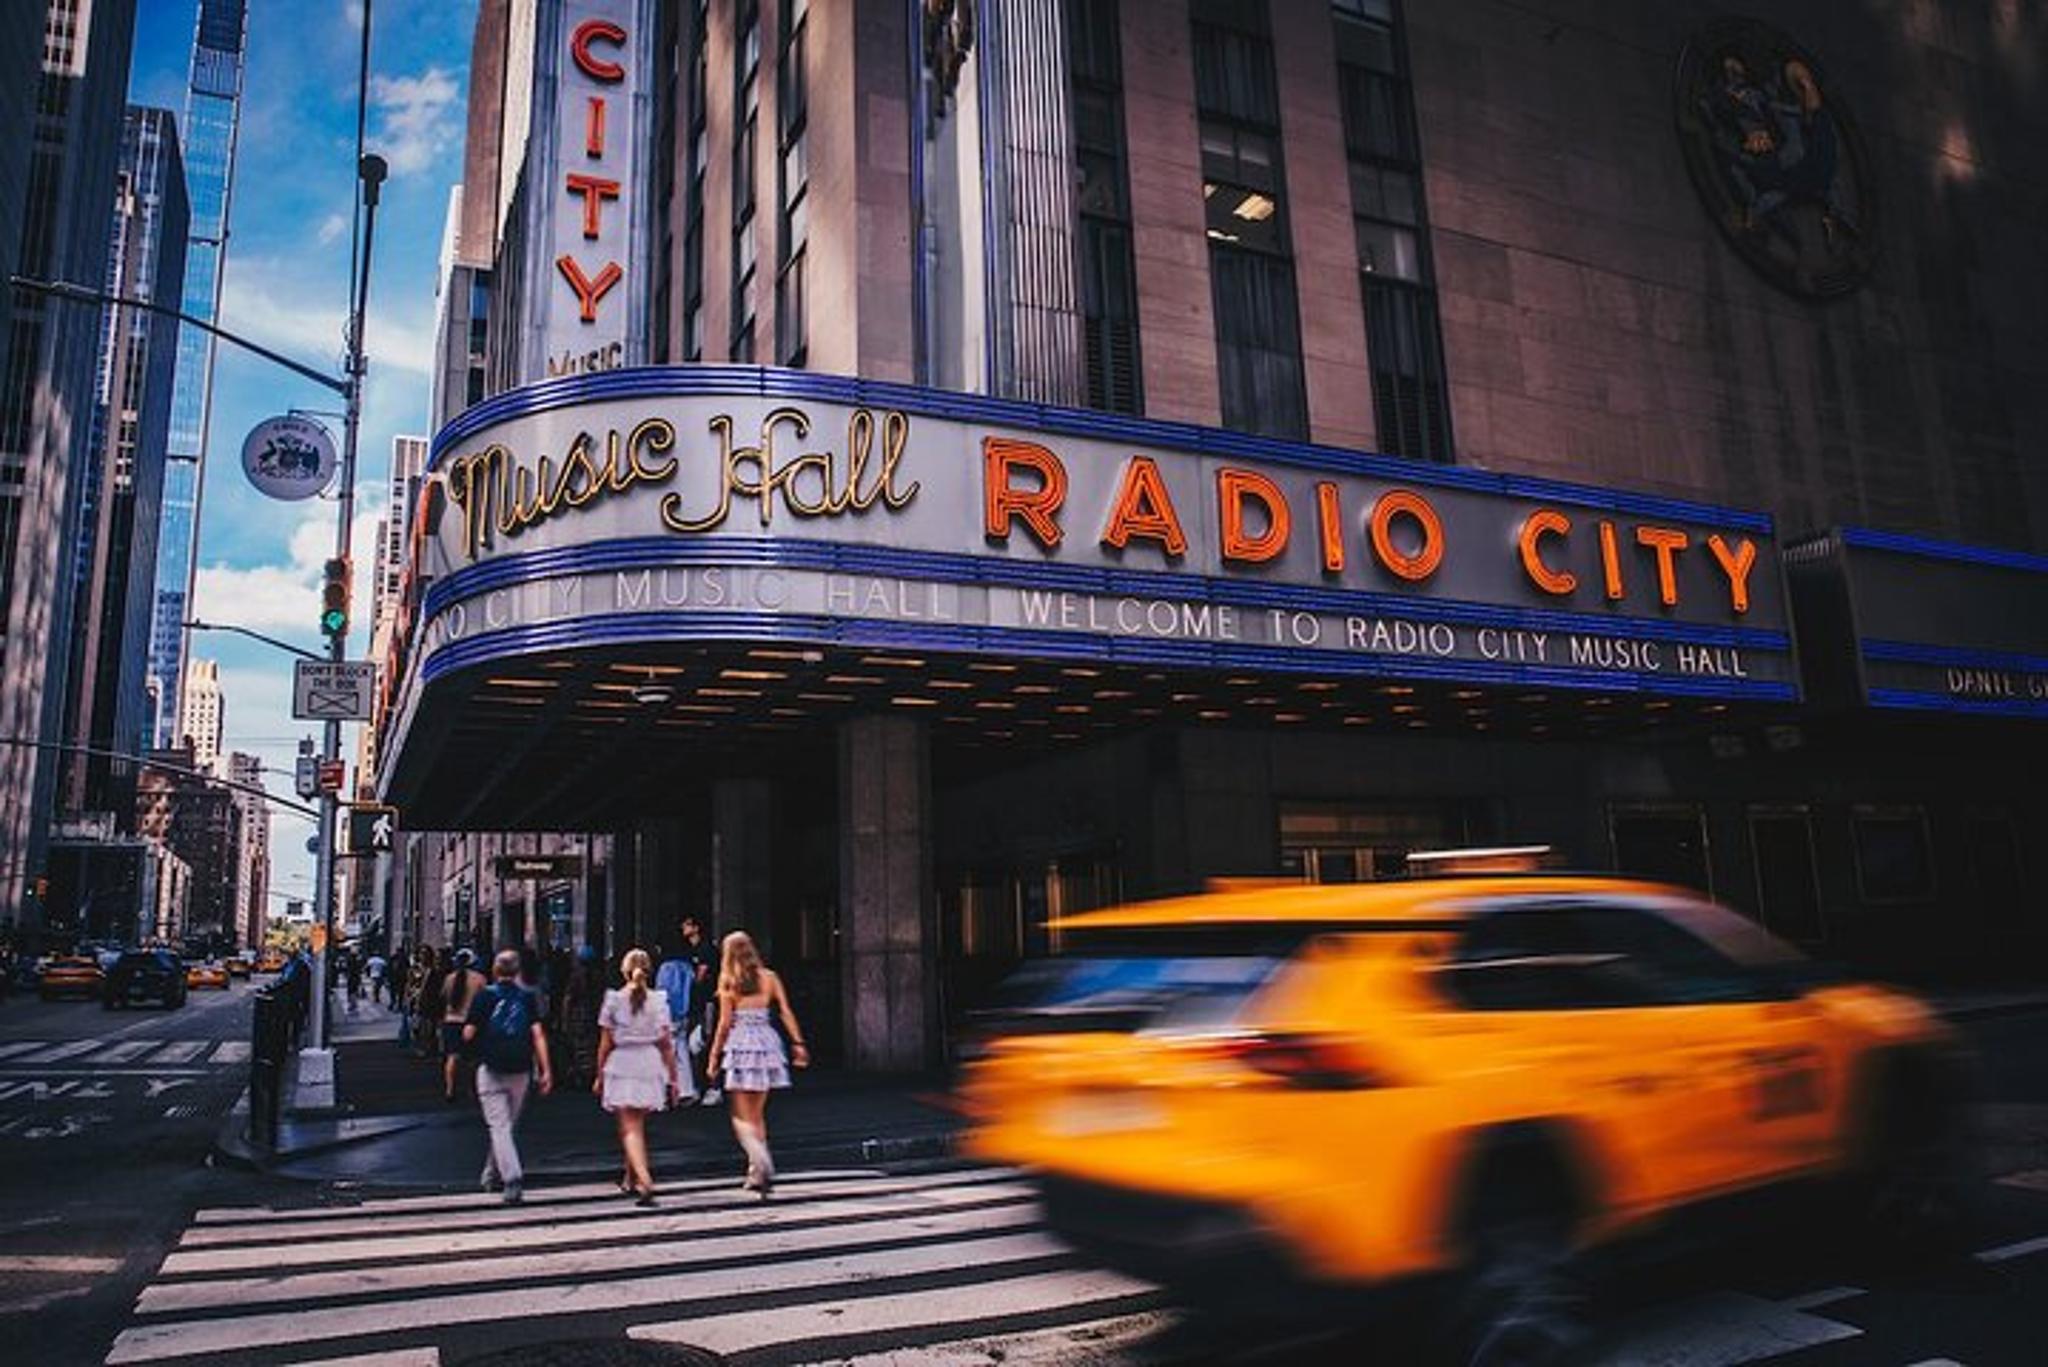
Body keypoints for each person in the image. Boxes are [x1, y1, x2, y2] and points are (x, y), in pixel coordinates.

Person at [705, 930, 808, 1197]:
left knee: (741, 1116)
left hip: (740, 1045)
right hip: (766, 1043)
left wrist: (714, 1056)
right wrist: (798, 1044)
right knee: (757, 1113)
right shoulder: (770, 978)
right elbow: (785, 1011)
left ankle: (759, 1158)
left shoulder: (728, 981)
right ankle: (756, 1170)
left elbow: (724, 1024)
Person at [594, 948, 686, 1206]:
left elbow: (605, 1044)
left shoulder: (613, 1000)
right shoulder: (658, 1001)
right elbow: (667, 1043)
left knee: (630, 1127)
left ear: (624, 970)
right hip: (649, 1063)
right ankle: (629, 1177)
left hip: (623, 1063)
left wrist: (599, 1075)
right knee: (636, 1126)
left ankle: (645, 1181)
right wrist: (674, 1079)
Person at [463, 949, 553, 1204]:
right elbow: (538, 1035)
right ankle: (490, 1174)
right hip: (521, 1069)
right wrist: (546, 1070)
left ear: (494, 970)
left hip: (490, 1067)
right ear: (517, 971)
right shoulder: (527, 998)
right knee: (506, 1126)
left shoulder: (484, 997)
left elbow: (468, 1033)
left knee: (498, 1125)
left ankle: (512, 1177)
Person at [678, 916, 721, 1105]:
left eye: (687, 925)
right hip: (696, 1004)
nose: (683, 928)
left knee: (705, 1042)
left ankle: (713, 1086)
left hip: (706, 1002)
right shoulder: (691, 950)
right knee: (695, 1045)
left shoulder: (706, 949)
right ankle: (699, 1086)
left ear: (696, 927)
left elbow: (700, 977)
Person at [441, 949, 486, 1102]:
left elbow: (444, 997)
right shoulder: (480, 979)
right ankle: (471, 1089)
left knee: (452, 1056)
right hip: (471, 1023)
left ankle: (450, 1089)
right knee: (472, 1059)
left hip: (451, 1021)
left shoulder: (449, 978)